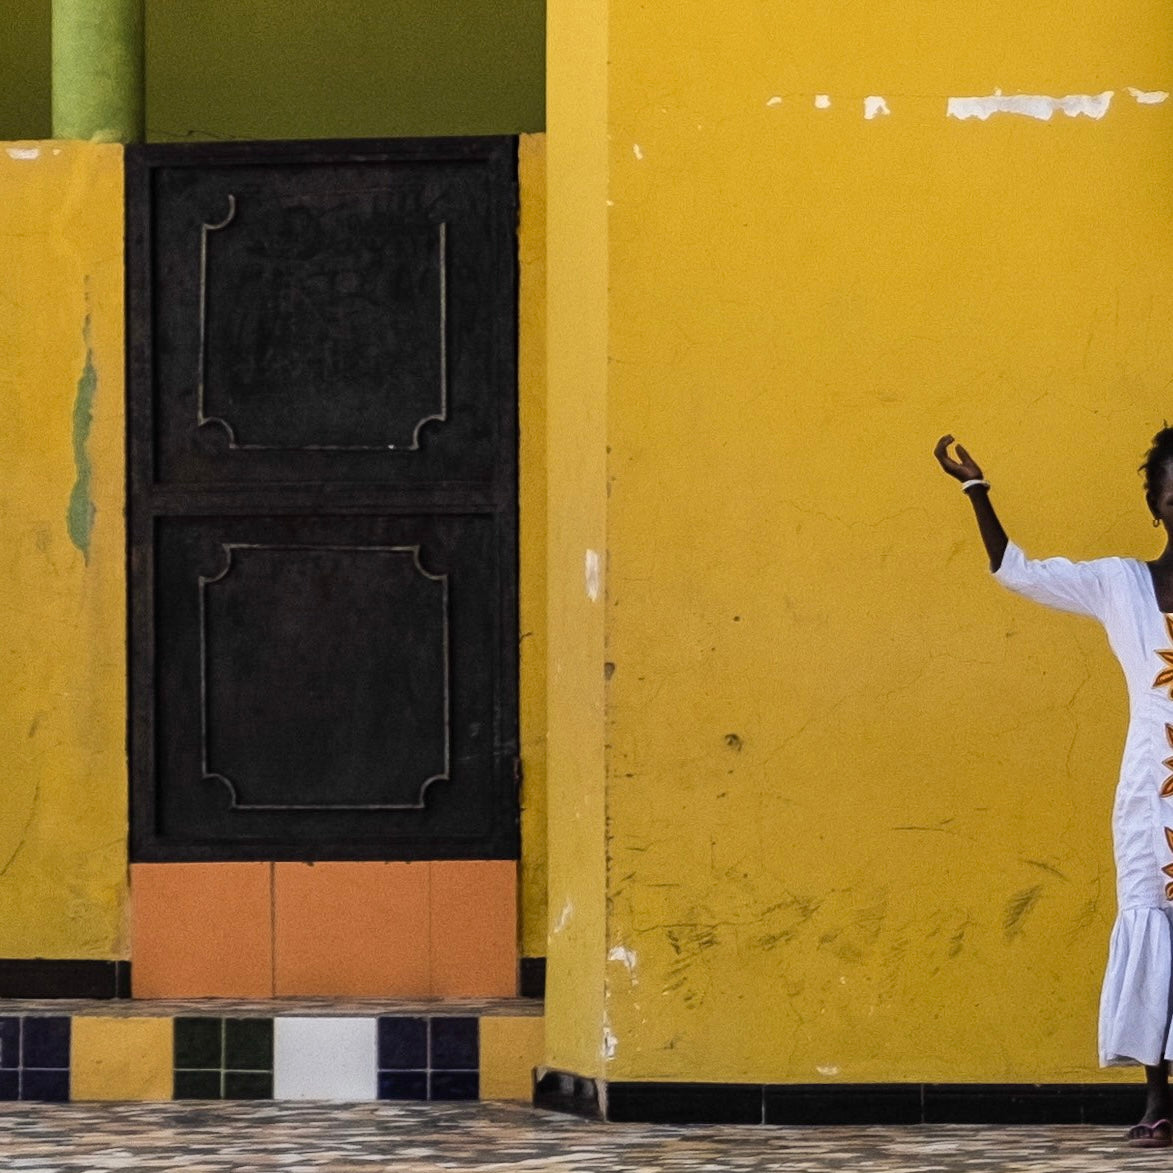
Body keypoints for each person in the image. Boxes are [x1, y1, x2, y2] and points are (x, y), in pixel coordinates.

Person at [934, 429, 1173, 1149]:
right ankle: (1159, 1099)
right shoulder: (1120, 583)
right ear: (1155, 506)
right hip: (1149, 791)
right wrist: (976, 491)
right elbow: (1018, 572)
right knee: (1151, 920)